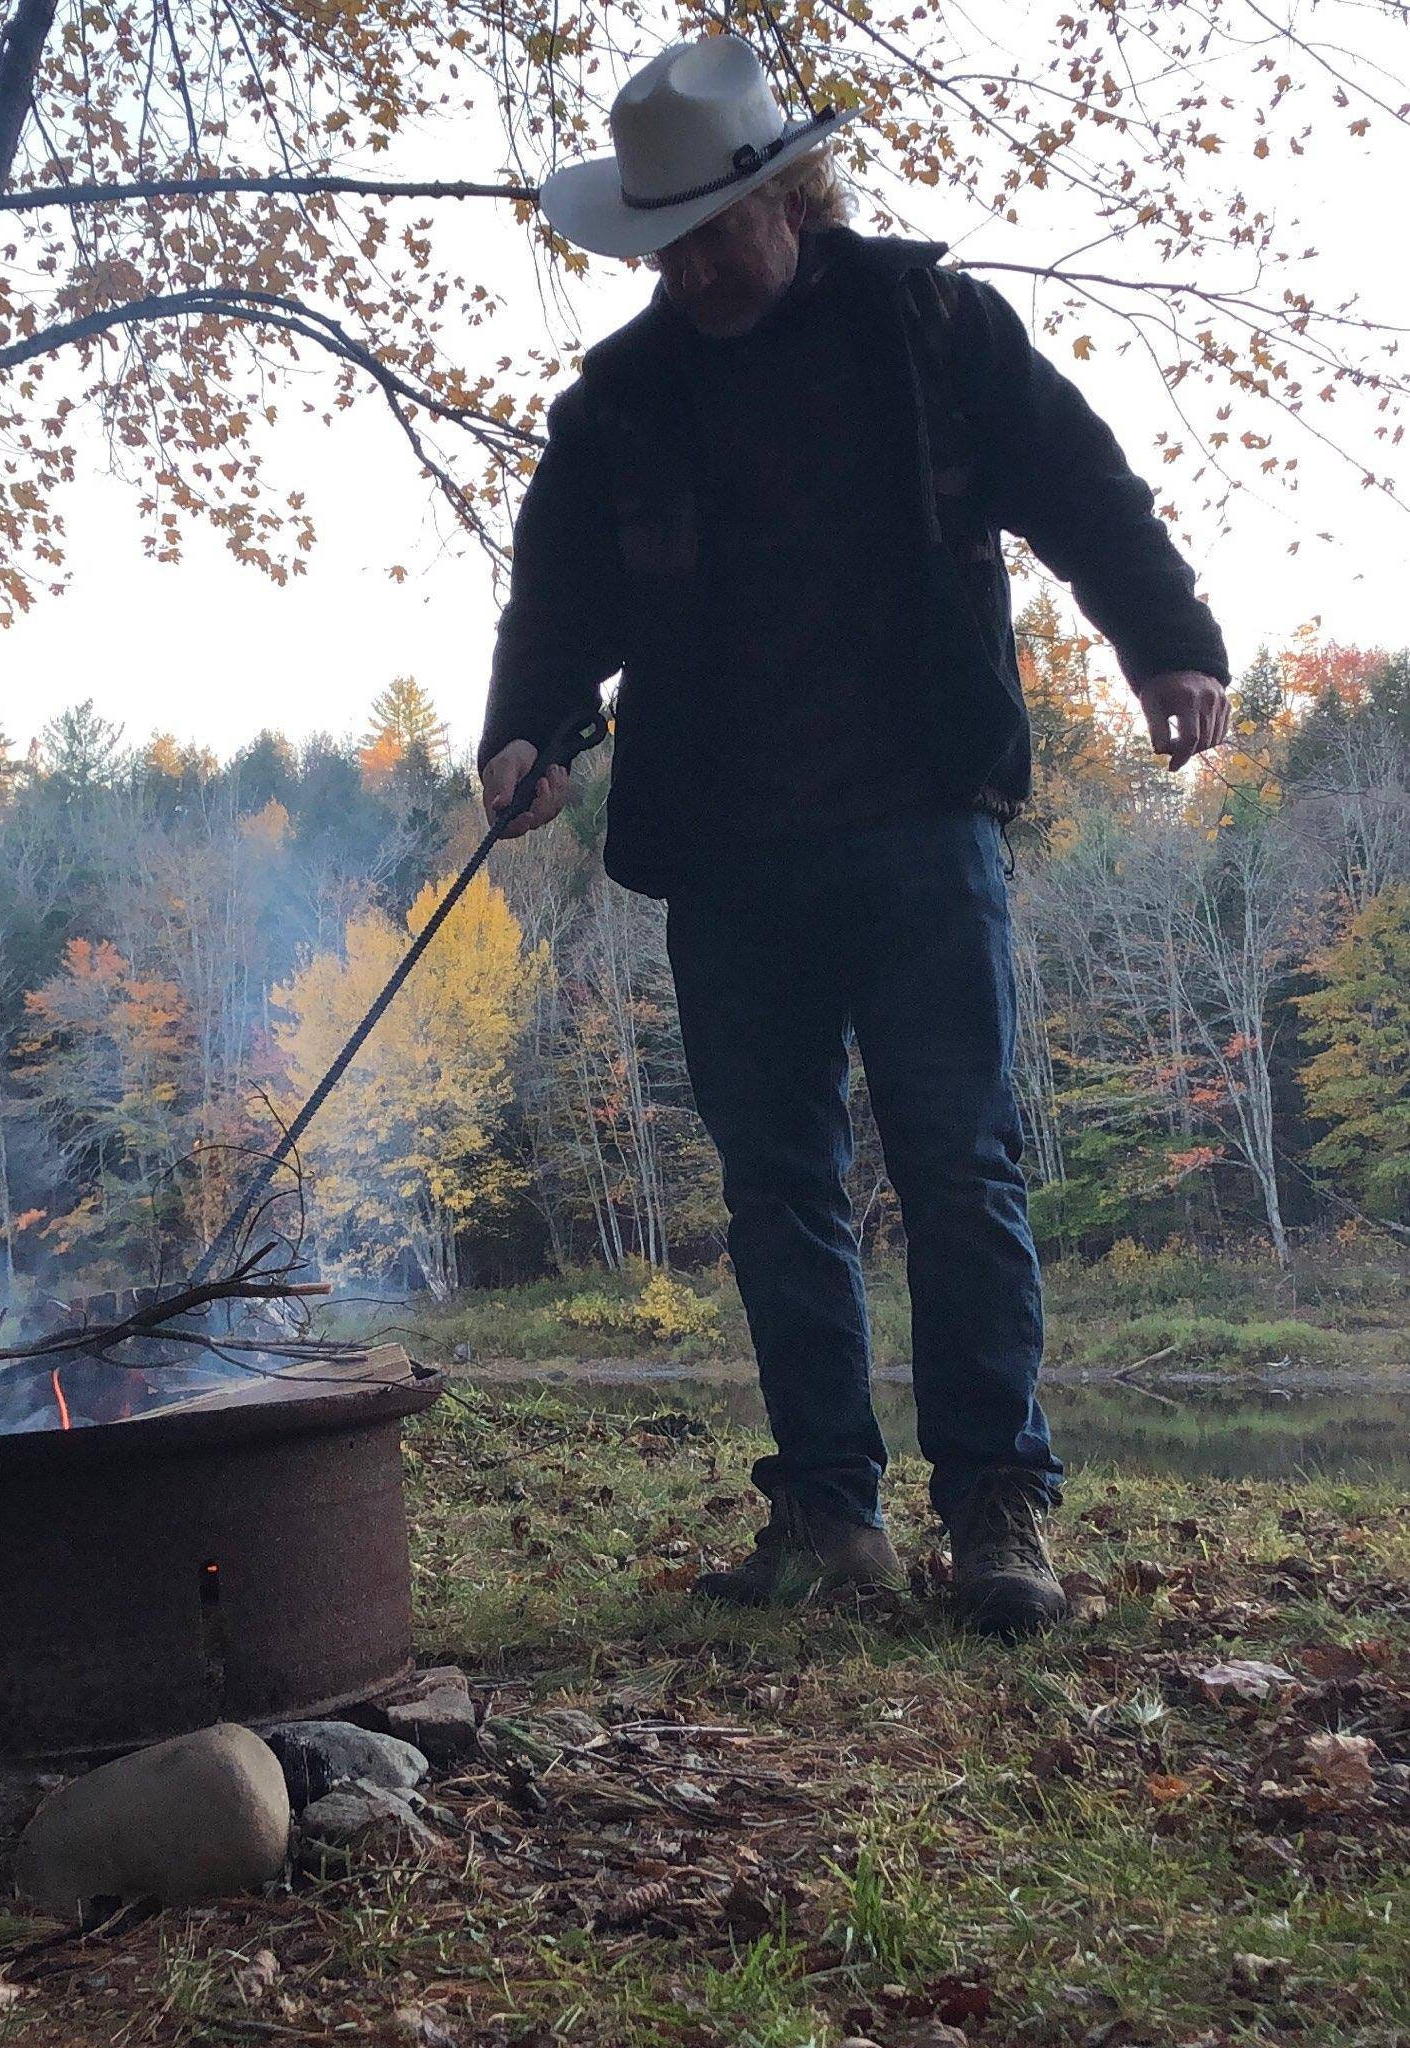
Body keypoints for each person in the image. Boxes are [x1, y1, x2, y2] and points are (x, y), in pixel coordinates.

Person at [478, 34, 1231, 1636]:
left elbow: (1081, 486)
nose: (689, 271)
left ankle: (994, 1512)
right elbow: (556, 601)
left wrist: (1167, 641)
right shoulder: (619, 402)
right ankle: (827, 1515)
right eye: (665, 246)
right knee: (775, 1190)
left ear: (792, 197)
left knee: (961, 1171)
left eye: (712, 234)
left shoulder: (931, 326)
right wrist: (524, 731)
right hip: (722, 848)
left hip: (918, 819)